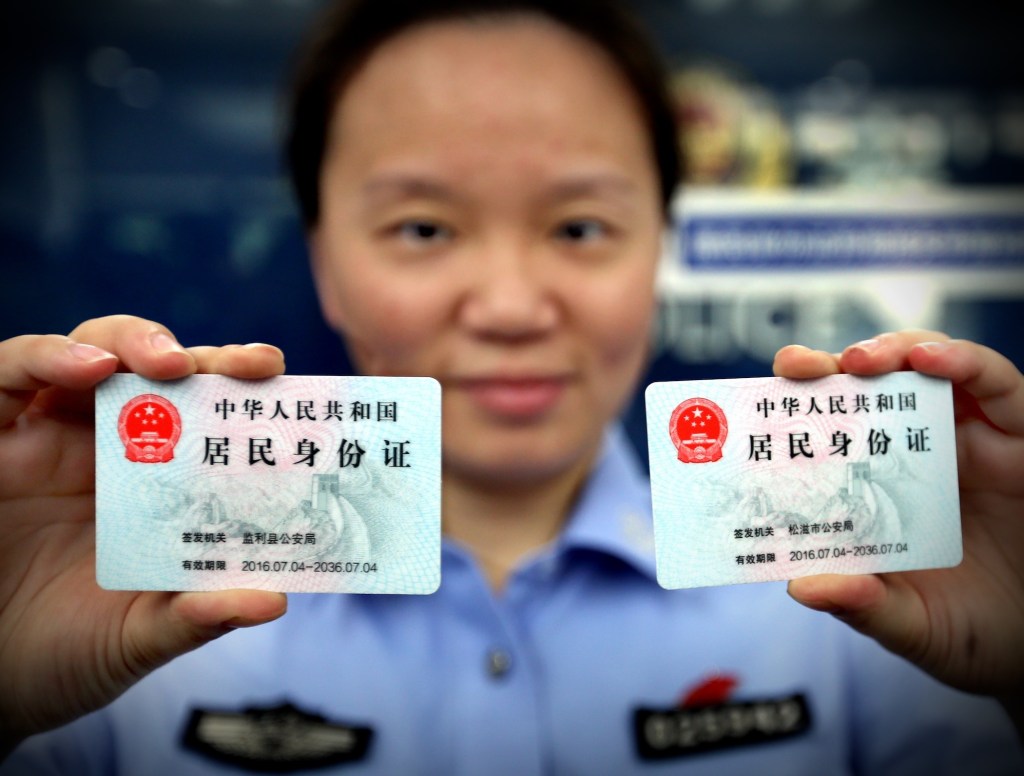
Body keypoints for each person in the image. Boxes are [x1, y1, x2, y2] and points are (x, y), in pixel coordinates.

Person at [1, 0, 1022, 772]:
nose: (510, 304)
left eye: (579, 227)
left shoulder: (863, 593)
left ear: (658, 246)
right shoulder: (127, 599)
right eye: (424, 228)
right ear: (323, 263)